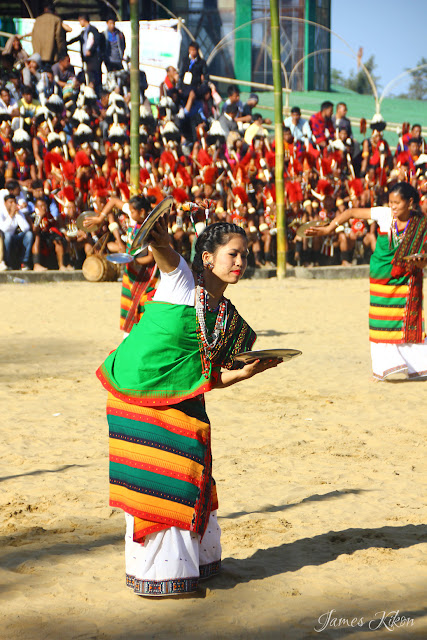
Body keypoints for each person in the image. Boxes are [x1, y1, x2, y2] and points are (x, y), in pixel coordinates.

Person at [96, 217, 283, 596]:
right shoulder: (183, 281)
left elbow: (210, 376)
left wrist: (246, 373)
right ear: (208, 258)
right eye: (233, 254)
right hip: (137, 391)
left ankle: (192, 566)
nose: (240, 262)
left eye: (245, 255)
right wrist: (160, 240)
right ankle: (158, 578)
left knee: (196, 466)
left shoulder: (225, 315)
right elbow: (168, 258)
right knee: (171, 475)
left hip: (178, 396)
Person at [306, 182, 427, 380]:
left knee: (406, 320)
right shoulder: (384, 215)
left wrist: (421, 263)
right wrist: (329, 228)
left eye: (397, 203)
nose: (393, 207)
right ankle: (387, 366)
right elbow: (351, 212)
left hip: (407, 280)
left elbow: (422, 257)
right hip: (381, 276)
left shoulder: (420, 223)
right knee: (380, 320)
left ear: (410, 202)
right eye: (391, 202)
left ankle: (417, 365)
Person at [85, 194, 157, 334]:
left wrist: (132, 260)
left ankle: (142, 334)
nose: (129, 212)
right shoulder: (133, 214)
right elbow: (112, 200)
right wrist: (101, 218)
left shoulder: (151, 228)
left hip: (145, 274)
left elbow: (151, 258)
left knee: (143, 305)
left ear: (142, 212)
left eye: (132, 211)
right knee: (128, 303)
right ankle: (128, 335)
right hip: (131, 271)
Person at [68, 14, 103, 93]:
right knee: (87, 75)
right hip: (86, 59)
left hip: (93, 59)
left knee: (94, 77)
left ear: (83, 20)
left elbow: (96, 41)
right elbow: (77, 38)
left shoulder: (93, 30)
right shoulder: (84, 32)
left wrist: (91, 50)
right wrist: (67, 43)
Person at [0, 191, 33, 270]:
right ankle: (7, 262)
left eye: (14, 202)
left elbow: (25, 228)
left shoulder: (18, 212)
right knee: (7, 236)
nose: (12, 204)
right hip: (4, 237)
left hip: (15, 237)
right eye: (10, 202)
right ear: (5, 203)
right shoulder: (1, 212)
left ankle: (24, 262)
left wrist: (17, 214)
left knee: (29, 234)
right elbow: (3, 229)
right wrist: (11, 214)